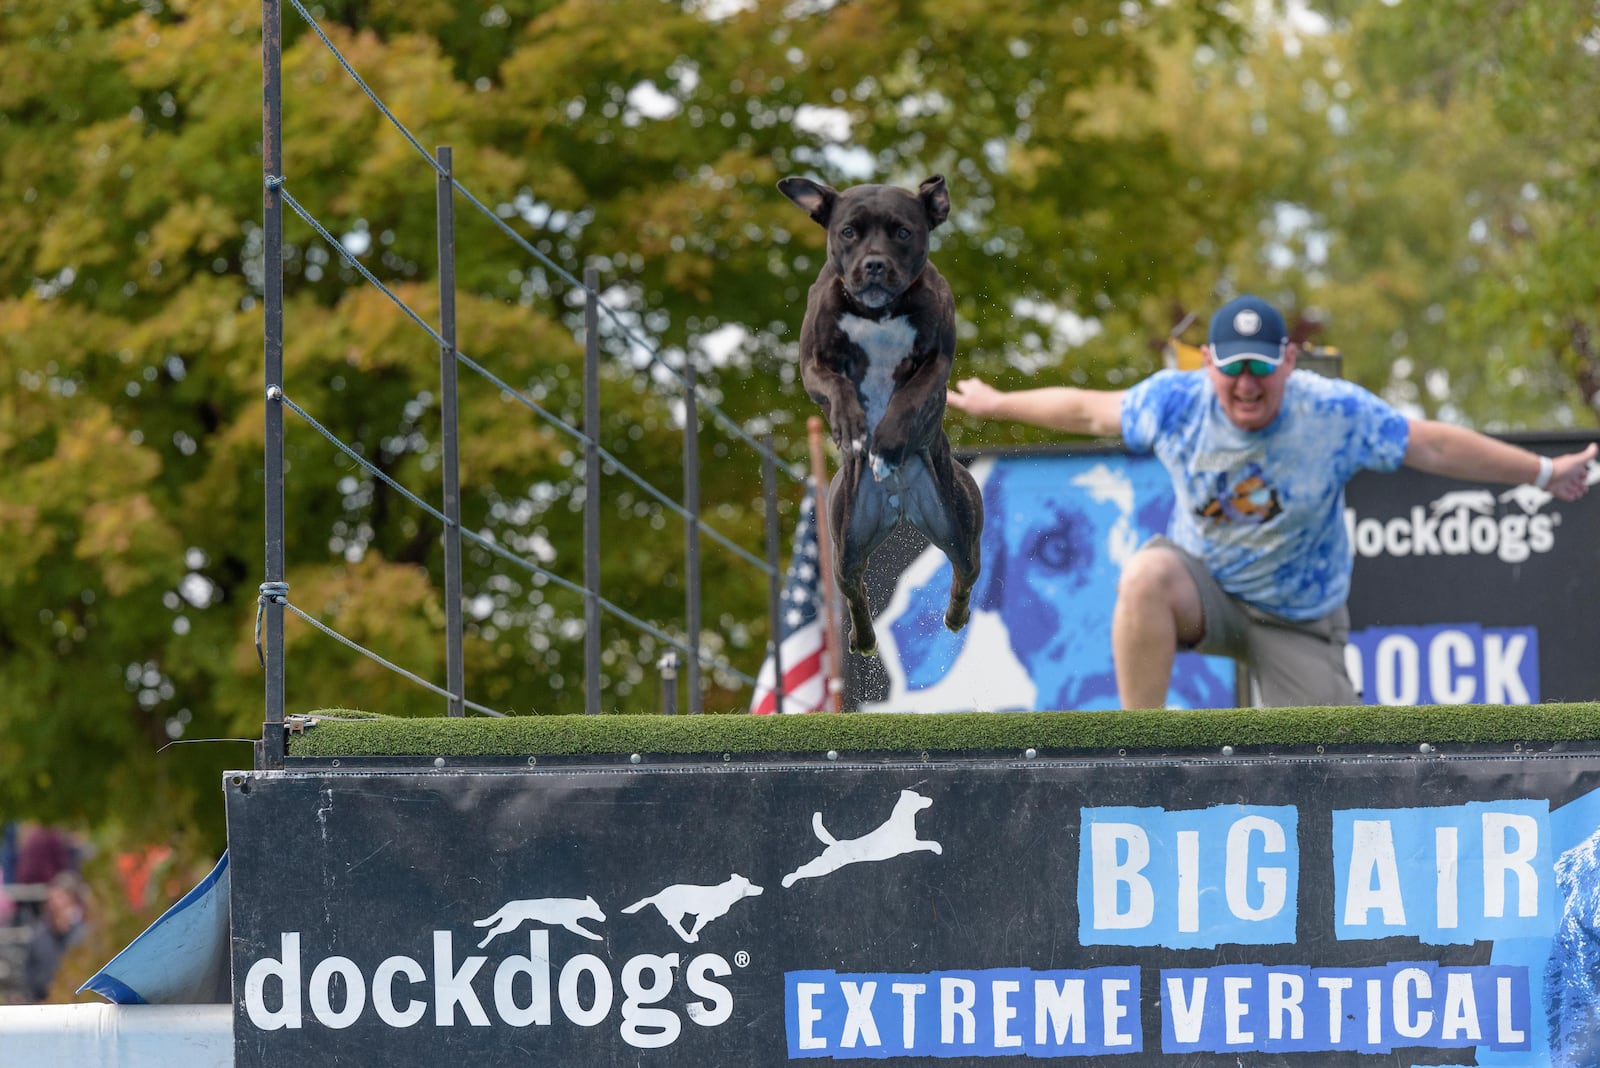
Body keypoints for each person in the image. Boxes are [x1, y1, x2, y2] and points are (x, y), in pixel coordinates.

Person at [946, 294, 1597, 709]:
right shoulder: (1178, 403)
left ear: (1289, 360)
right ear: (1209, 364)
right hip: (1205, 590)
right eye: (1234, 369)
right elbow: (1089, 411)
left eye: (1262, 367)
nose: (1248, 385)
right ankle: (1133, 748)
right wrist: (996, 403)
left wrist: (1543, 472)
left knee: (1328, 768)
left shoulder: (1333, 412)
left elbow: (1432, 446)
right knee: (1146, 575)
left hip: (1298, 620)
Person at [23, 871, 88, 1003]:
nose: (54, 905)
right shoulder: (39, 936)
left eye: (60, 898)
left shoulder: (85, 935)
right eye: (52, 899)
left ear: (73, 901)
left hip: (78, 1005)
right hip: (43, 1005)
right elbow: (30, 974)